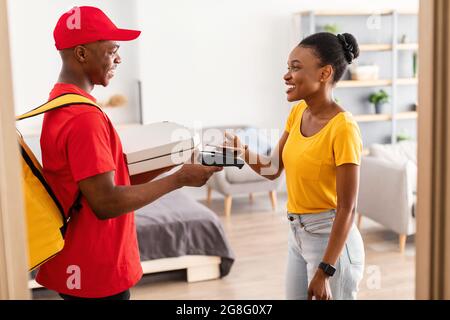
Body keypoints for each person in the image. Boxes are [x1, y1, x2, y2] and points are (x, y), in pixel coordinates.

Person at [35, 6, 222, 300]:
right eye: (112, 50)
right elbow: (105, 202)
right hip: (97, 268)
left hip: (79, 263)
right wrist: (179, 180)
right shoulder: (85, 117)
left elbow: (99, 181)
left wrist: (171, 165)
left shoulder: (59, 105)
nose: (118, 58)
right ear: (82, 54)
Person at [223, 32, 365, 300]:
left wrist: (326, 269)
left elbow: (349, 207)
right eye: (288, 67)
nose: (286, 76)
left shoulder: (344, 128)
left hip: (331, 241)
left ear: (324, 73)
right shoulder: (298, 113)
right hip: (297, 234)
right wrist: (241, 151)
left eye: (296, 68)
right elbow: (272, 169)